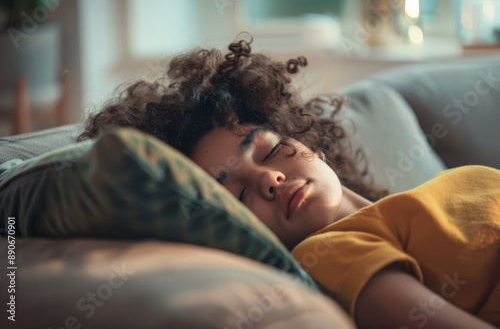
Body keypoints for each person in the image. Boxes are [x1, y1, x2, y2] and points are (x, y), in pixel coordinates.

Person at [78, 33, 500, 329]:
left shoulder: (422, 202)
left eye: (266, 150)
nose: (269, 179)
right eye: (239, 194)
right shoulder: (330, 254)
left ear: (302, 138)